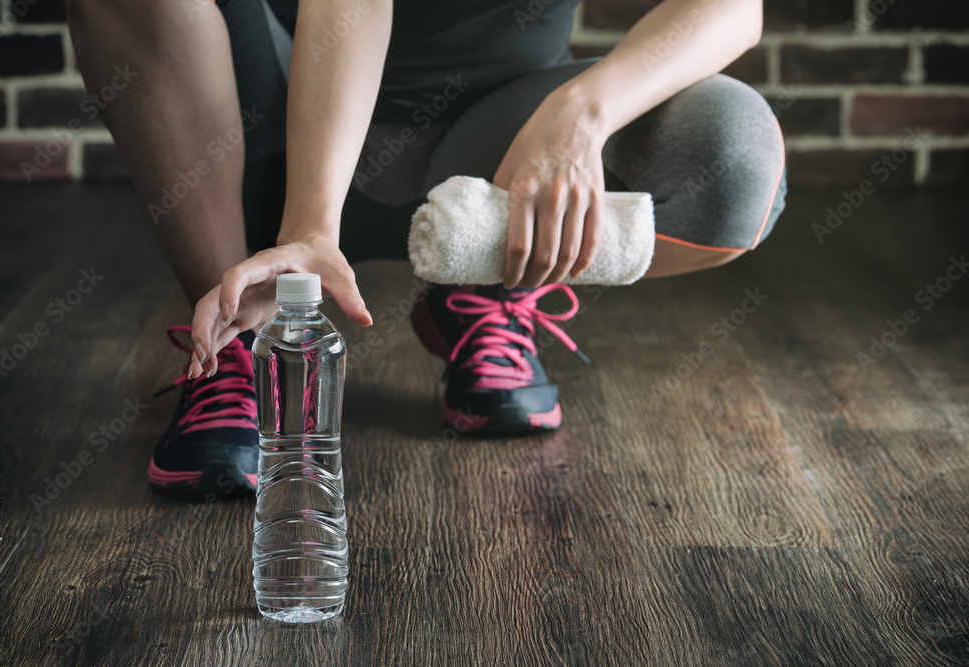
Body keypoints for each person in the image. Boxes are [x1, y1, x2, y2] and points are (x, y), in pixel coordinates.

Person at [65, 0, 785, 498]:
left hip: (491, 156)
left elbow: (732, 9)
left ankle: (485, 284)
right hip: (281, 129)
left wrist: (581, 115)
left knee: (736, 158)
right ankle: (233, 337)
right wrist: (310, 224)